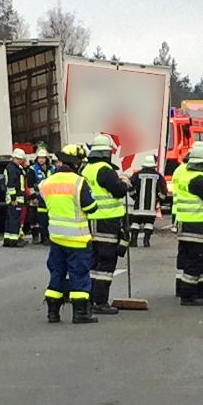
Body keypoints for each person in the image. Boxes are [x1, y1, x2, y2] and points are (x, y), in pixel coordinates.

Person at [39, 145, 100, 324]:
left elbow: (42, 211)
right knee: (79, 275)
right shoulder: (79, 182)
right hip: (77, 240)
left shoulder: (46, 183)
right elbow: (91, 207)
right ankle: (80, 313)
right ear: (76, 163)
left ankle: (53, 313)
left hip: (56, 238)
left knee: (57, 273)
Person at [81, 134, 131, 316]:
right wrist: (124, 182)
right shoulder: (105, 169)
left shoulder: (86, 169)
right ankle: (100, 301)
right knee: (106, 262)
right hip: (107, 221)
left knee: (93, 261)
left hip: (91, 220)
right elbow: (118, 191)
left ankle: (89, 298)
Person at [172, 142, 203, 306]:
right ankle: (188, 295)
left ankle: (199, 291)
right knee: (196, 263)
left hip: (186, 224)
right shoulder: (198, 179)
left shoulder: (185, 174)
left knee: (193, 261)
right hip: (198, 227)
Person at [129, 152, 165, 248]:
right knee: (149, 223)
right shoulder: (158, 176)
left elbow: (130, 186)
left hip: (138, 207)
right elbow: (163, 191)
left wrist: (134, 196)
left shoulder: (137, 175)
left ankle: (134, 240)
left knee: (135, 223)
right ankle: (146, 241)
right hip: (151, 208)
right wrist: (158, 200)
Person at [3, 147, 30, 247]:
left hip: (15, 197)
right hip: (16, 198)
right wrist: (13, 198)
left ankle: (8, 239)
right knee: (15, 220)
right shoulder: (13, 169)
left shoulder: (13, 168)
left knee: (10, 219)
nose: (20, 161)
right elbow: (12, 185)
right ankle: (14, 240)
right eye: (19, 159)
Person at [27, 145, 52, 244]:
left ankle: (46, 237)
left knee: (46, 218)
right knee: (34, 217)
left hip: (48, 197)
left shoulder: (52, 168)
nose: (41, 160)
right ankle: (35, 236)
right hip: (36, 196)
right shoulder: (33, 169)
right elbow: (30, 184)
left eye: (43, 158)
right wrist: (32, 196)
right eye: (40, 158)